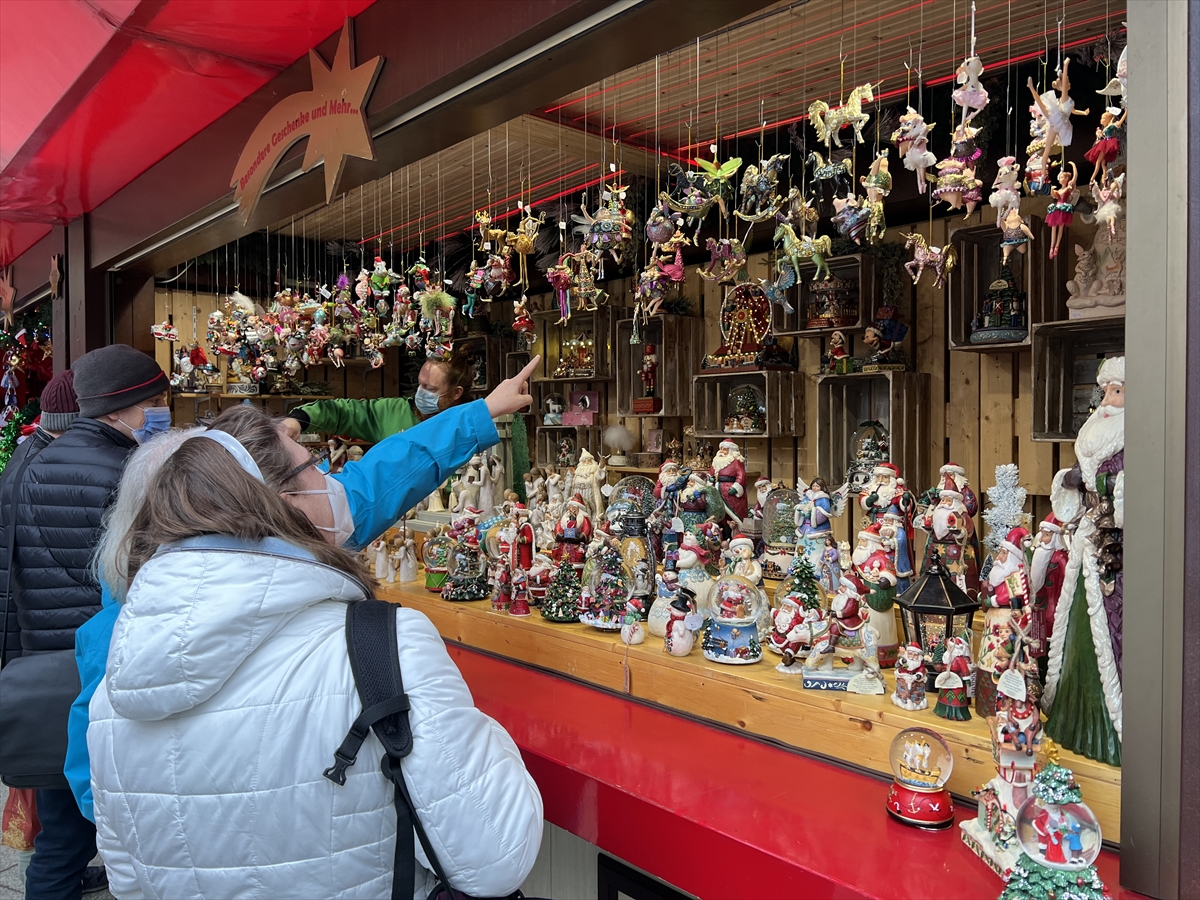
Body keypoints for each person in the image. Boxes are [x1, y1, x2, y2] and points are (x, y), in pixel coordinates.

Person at [85, 358, 543, 897]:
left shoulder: (115, 684)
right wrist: (481, 734)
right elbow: (493, 857)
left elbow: (126, 871)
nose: (333, 480)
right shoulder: (383, 649)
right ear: (284, 504)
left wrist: (480, 413)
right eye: (315, 468)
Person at [7, 345, 168, 900]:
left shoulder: (34, 460)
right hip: (98, 660)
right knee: (80, 828)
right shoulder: (127, 471)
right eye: (154, 402)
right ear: (120, 407)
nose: (161, 412)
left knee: (62, 821)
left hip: (46, 657)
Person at [0, 370, 87, 892]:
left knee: (61, 805)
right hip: (54, 657)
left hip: (38, 651)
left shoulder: (29, 458)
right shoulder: (49, 471)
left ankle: (63, 873)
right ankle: (55, 880)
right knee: (63, 817)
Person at [283, 347, 476, 443]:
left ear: (456, 393)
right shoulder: (394, 412)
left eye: (430, 389)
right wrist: (298, 420)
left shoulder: (473, 423)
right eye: (420, 384)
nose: (421, 392)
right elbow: (344, 413)